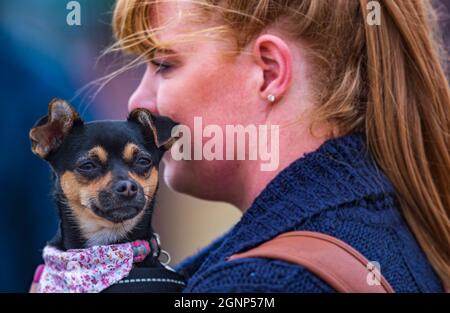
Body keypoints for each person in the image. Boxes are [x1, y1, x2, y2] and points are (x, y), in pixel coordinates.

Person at [32, 0, 449, 292]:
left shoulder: (270, 283)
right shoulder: (389, 228)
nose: (137, 100)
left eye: (164, 64)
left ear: (268, 73)